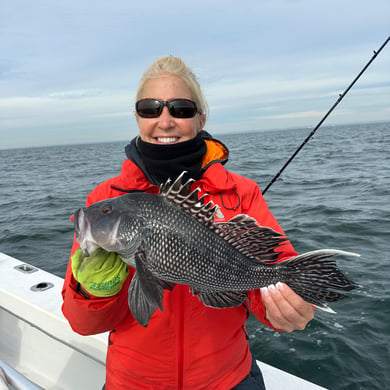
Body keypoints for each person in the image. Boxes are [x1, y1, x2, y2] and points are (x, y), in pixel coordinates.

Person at [62, 56, 314, 390]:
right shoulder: (106, 197)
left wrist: (289, 305)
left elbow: (271, 290)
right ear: (137, 117)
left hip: (229, 379)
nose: (165, 121)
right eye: (150, 109)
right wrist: (95, 288)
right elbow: (82, 324)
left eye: (181, 109)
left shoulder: (240, 193)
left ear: (200, 118)